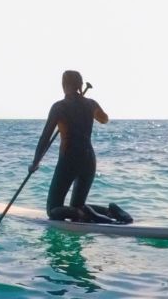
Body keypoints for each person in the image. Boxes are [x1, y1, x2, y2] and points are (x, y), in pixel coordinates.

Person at [30, 70, 131, 224]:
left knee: (53, 210)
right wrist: (86, 107)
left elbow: (45, 137)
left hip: (69, 160)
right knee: (77, 204)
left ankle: (88, 215)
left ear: (64, 85)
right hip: (89, 159)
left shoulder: (59, 107)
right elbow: (104, 119)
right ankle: (111, 212)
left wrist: (35, 162)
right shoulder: (91, 104)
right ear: (81, 85)